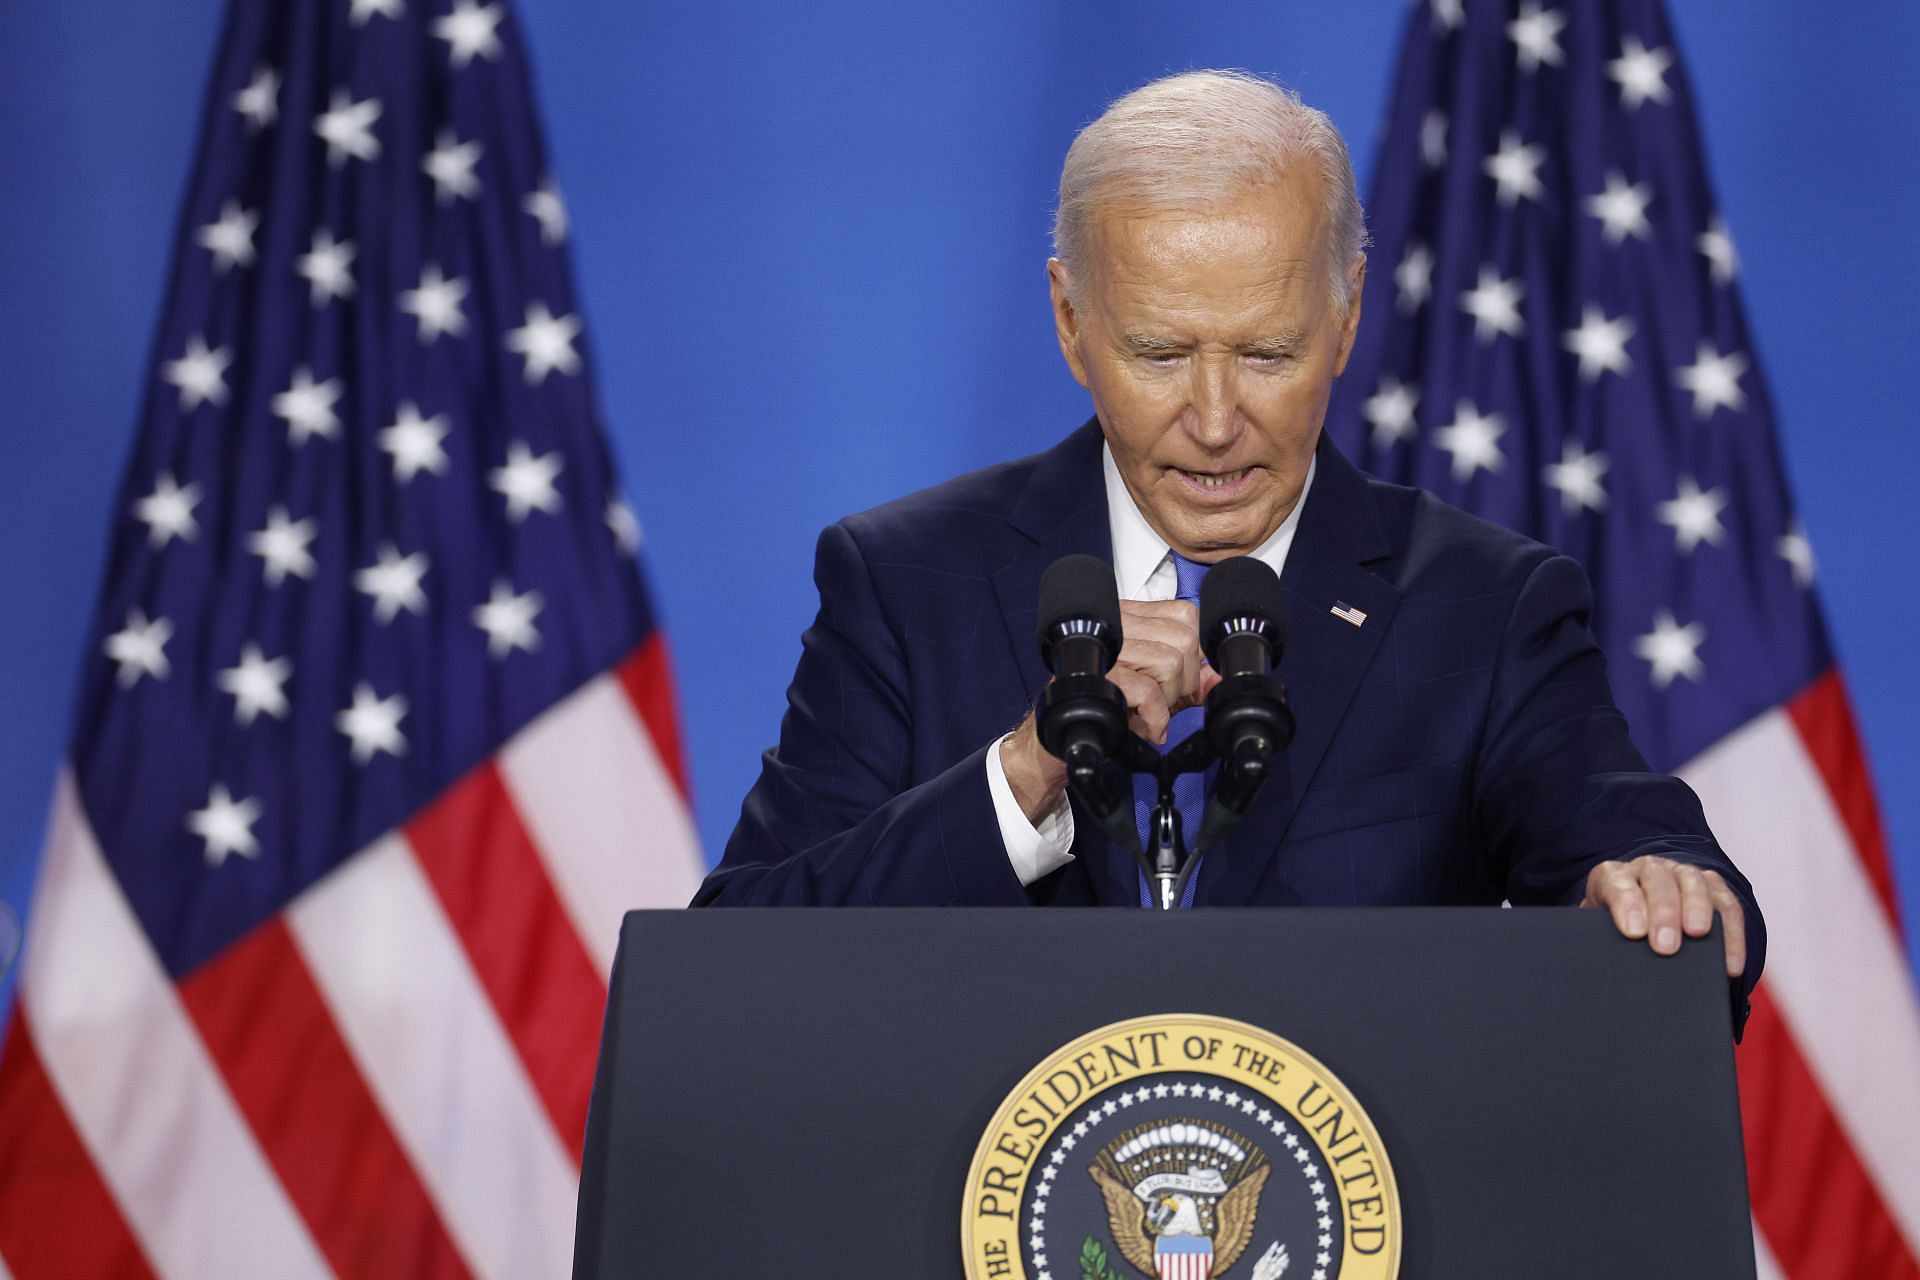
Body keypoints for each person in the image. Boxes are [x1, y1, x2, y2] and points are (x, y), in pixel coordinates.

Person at [692, 70, 1763, 1016]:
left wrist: (1654, 887)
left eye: (1267, 351)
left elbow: (1640, 854)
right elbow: (738, 965)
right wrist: (1019, 780)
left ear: (1346, 319)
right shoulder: (906, 582)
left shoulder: (1483, 607)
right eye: (1159, 353)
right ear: (1071, 321)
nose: (1213, 419)